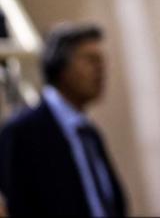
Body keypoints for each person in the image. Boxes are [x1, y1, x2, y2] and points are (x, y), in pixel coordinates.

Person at [0, 23, 127, 217]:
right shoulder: (21, 132)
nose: (100, 70)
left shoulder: (89, 133)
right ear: (61, 67)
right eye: (90, 60)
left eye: (102, 61)